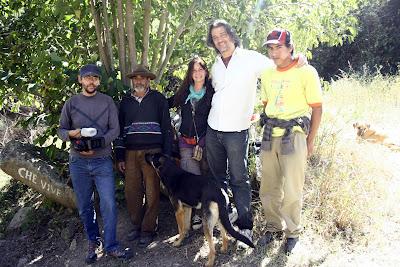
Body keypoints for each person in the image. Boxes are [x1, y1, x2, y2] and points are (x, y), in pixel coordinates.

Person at [206, 19, 306, 249]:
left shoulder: (251, 59)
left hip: (237, 131)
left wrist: (298, 58)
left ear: (231, 35)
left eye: (223, 35)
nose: (220, 40)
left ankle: (246, 227)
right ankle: (227, 215)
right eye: (215, 37)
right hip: (213, 129)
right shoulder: (216, 64)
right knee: (217, 177)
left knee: (239, 180)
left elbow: (279, 65)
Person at [58, 64, 132, 264]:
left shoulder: (107, 102)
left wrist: (99, 143)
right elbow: (61, 131)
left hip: (102, 161)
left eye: (95, 78)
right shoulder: (71, 103)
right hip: (78, 162)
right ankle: (93, 242)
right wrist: (74, 134)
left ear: (99, 81)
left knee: (108, 203)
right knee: (84, 206)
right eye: (87, 77)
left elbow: (115, 130)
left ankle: (111, 245)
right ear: (80, 80)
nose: (91, 81)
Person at [258, 29, 322, 254]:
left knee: (292, 188)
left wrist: (310, 140)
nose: (274, 52)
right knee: (269, 186)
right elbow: (266, 104)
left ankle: (293, 232)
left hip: (294, 134)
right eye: (271, 47)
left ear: (290, 47)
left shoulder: (306, 72)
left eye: (279, 47)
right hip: (269, 134)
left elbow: (317, 108)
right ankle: (273, 227)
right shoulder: (266, 74)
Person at [115, 65, 172, 248]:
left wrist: (166, 155)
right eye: (136, 78)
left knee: (152, 191)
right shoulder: (125, 102)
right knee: (132, 192)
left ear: (149, 80)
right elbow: (119, 132)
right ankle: (136, 226)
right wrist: (120, 156)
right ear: (132, 80)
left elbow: (166, 129)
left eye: (143, 78)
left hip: (153, 153)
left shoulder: (158, 99)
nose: (139, 81)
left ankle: (148, 230)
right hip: (130, 153)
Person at [168, 56, 214, 230]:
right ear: (190, 73)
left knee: (209, 178)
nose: (197, 73)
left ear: (206, 71)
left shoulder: (212, 92)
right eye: (194, 70)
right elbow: (166, 104)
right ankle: (194, 217)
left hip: (207, 142)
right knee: (192, 180)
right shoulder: (183, 93)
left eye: (200, 69)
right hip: (186, 143)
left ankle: (212, 214)